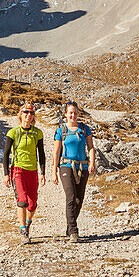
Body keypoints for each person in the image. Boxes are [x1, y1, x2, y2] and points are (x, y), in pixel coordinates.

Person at [52, 101, 95, 242]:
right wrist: (53, 171)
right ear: (65, 114)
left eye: (75, 112)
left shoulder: (84, 128)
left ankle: (69, 227)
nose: (73, 115)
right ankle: (74, 231)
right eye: (70, 112)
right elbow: (56, 152)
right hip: (66, 166)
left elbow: (91, 147)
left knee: (79, 199)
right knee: (70, 197)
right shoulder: (61, 130)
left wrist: (92, 162)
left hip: (82, 166)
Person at [3, 102, 46, 242]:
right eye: (26, 112)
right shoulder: (13, 132)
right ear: (20, 114)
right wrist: (6, 174)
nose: (28, 115)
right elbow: (5, 154)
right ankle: (23, 232)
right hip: (18, 170)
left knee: (32, 204)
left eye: (31, 113)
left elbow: (42, 154)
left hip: (32, 171)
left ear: (34, 116)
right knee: (22, 201)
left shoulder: (38, 133)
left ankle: (27, 224)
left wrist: (43, 173)